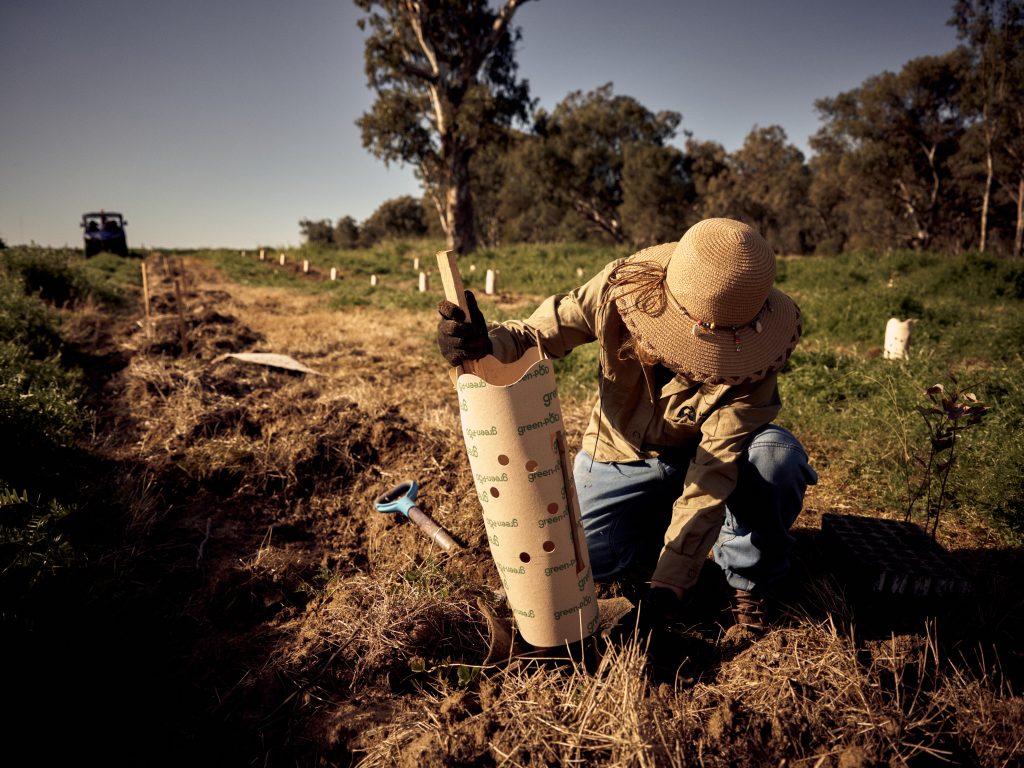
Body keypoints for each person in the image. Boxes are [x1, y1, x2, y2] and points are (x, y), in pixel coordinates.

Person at [436, 217, 817, 632]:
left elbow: (713, 471)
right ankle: (653, 531)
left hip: (708, 460)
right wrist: (486, 344)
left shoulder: (754, 363)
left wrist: (670, 585)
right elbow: (534, 335)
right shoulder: (621, 290)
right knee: (580, 562)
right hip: (620, 455)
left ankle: (747, 575)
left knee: (776, 458)